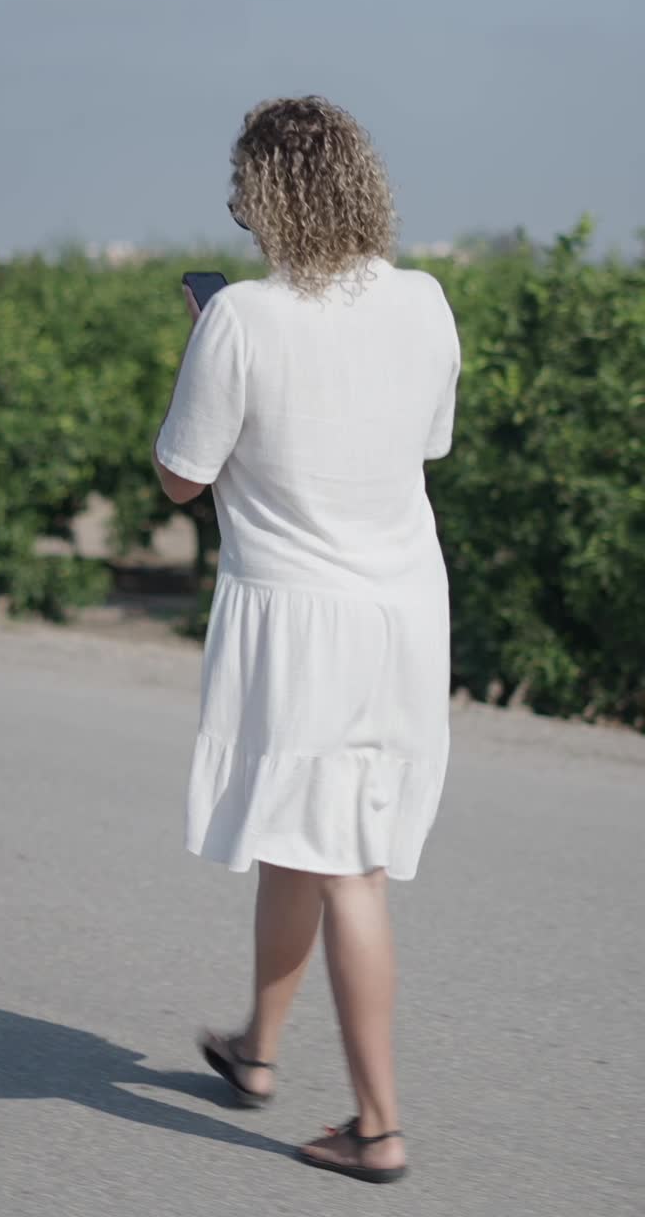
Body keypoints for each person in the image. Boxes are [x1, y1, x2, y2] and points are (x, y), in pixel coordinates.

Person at [153, 96, 460, 1185]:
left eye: (242, 187)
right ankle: (258, 1047)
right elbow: (428, 442)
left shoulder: (243, 320)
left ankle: (378, 1126)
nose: (236, 206)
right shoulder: (426, 301)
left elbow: (183, 474)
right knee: (309, 830)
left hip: (300, 618)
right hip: (406, 610)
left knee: (349, 864)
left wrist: (206, 345)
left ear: (270, 198)